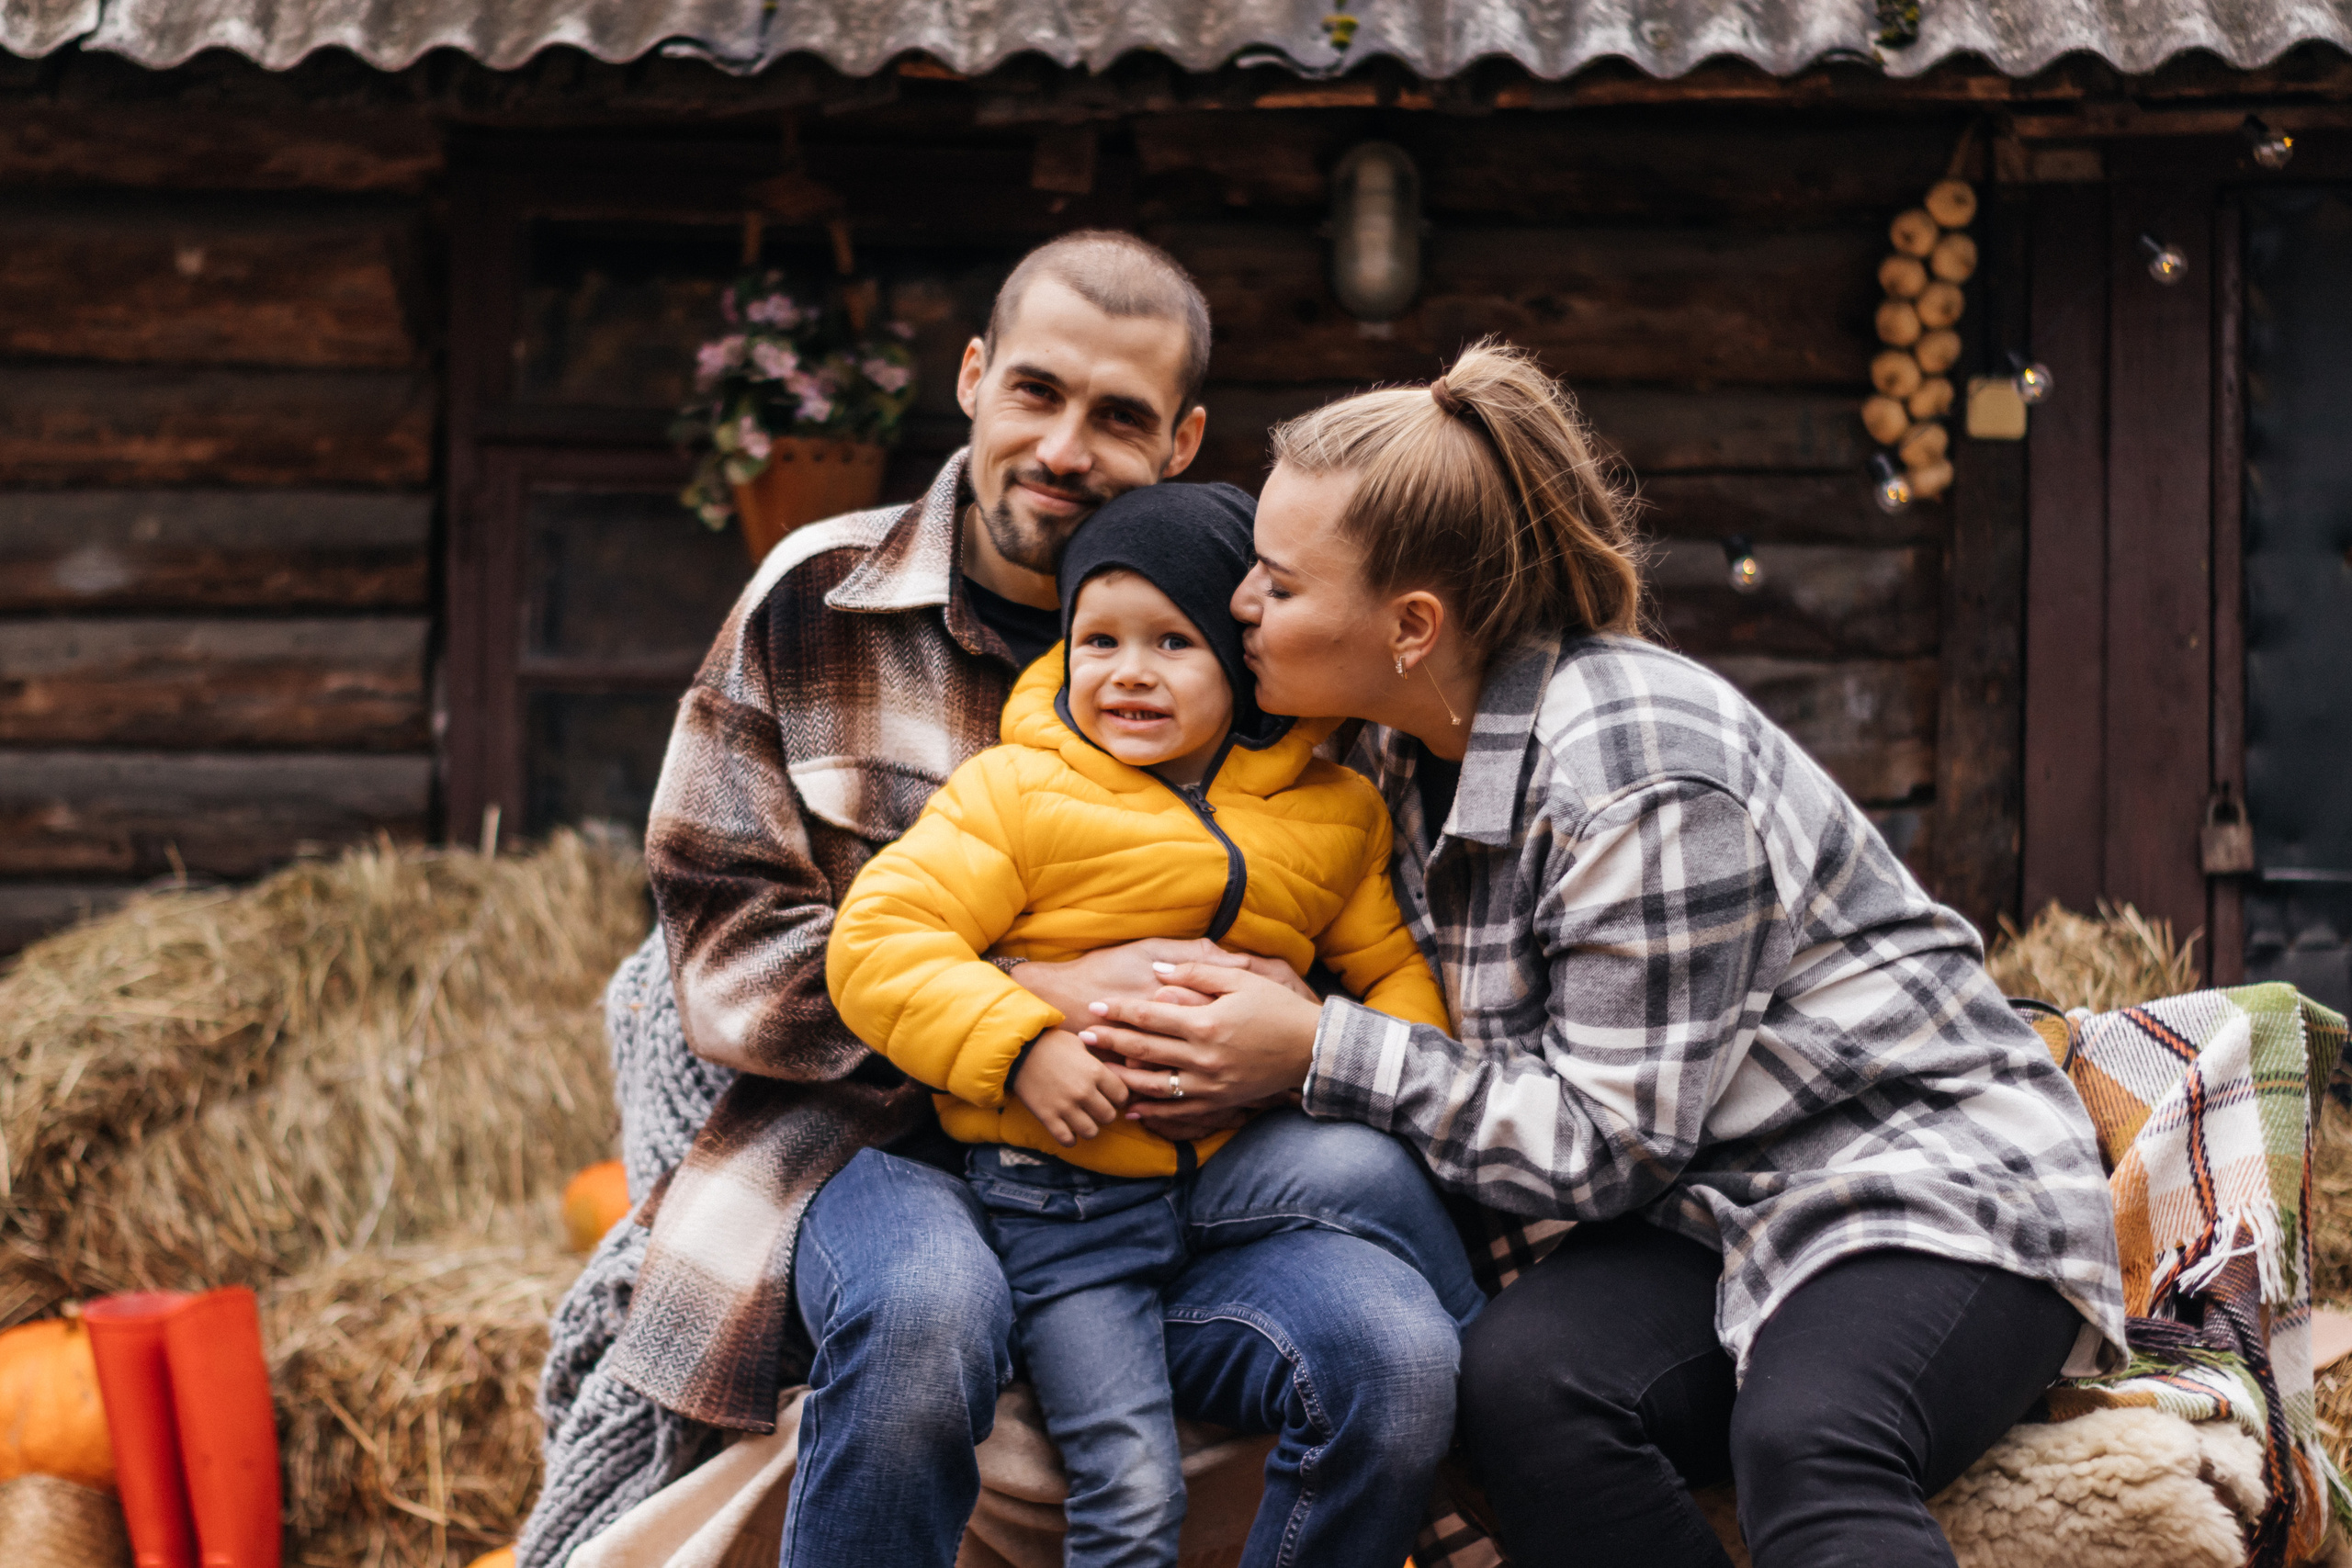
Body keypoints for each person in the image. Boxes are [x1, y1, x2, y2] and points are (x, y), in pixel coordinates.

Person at [1073, 337, 2130, 1568]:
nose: (1242, 604)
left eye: (1278, 582)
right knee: (1518, 1386)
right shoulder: (1389, 755)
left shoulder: (1635, 771)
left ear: (1411, 626)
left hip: (1919, 1181)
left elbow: (1609, 1141)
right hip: (1709, 1208)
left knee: (1810, 1440)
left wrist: (1319, 1049)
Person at [537, 231, 1467, 1568]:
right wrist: (1029, 1009)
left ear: (1183, 439)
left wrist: (1276, 1022)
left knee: (1394, 1348)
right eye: (1036, 391)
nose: (1064, 448)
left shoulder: (1278, 653)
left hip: (1177, 1172)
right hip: (875, 1157)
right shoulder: (817, 601)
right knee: (925, 1313)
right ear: (974, 376)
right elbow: (724, 944)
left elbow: (1355, 924)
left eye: (1120, 417)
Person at [827, 481, 1482, 1568]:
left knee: (1376, 1177)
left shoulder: (1334, 813)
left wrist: (1316, 1041)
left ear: (1241, 658)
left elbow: (1396, 976)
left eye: (1172, 642)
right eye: (1099, 641)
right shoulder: (1016, 793)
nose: (1128, 671)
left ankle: (1490, 1397)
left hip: (1230, 1174)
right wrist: (1021, 1043)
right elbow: (878, 944)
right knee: (1131, 1493)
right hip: (1068, 1205)